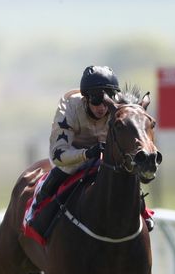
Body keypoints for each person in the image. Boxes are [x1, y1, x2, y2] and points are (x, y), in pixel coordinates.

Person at [26, 65, 121, 237]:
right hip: (71, 153)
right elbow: (58, 155)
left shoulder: (119, 107)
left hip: (103, 152)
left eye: (107, 100)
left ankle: (142, 211)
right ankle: (37, 206)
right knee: (68, 168)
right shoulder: (69, 107)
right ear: (85, 98)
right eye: (96, 100)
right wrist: (86, 154)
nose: (102, 107)